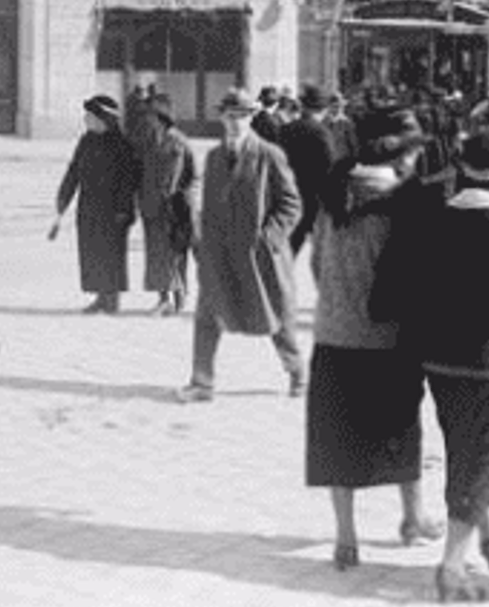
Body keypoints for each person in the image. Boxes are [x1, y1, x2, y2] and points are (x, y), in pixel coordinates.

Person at [372, 125, 489, 603]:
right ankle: (450, 565)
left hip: (440, 360)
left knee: (463, 450)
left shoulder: (436, 220)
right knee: (484, 459)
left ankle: (475, 535)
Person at [305, 115, 440, 570]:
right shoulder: (407, 206)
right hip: (390, 339)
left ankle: (346, 539)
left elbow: (318, 264)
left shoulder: (332, 199)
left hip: (334, 334)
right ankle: (412, 517)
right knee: (401, 429)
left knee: (335, 437)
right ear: (400, 157)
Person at [177, 87, 305, 403]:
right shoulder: (215, 156)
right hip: (220, 253)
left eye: (242, 117)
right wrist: (201, 245)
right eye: (230, 116)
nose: (235, 123)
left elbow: (291, 203)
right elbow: (209, 206)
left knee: (277, 317)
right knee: (207, 315)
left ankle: (298, 373)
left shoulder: (269, 155)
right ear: (221, 117)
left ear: (252, 118)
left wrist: (268, 238)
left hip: (260, 257)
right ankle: (202, 382)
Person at [50, 95, 139, 314]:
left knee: (111, 254)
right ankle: (100, 296)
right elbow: (74, 171)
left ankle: (111, 299)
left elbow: (129, 180)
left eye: (90, 116)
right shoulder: (86, 141)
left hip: (114, 210)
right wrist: (64, 196)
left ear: (104, 119)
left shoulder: (122, 145)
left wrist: (123, 209)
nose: (86, 119)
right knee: (92, 251)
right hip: (89, 206)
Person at [135, 93, 197, 315]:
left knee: (176, 254)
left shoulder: (179, 141)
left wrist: (184, 200)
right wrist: (138, 200)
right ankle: (163, 298)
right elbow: (138, 172)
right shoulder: (147, 140)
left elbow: (192, 176)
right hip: (151, 206)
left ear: (161, 117)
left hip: (174, 208)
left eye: (150, 115)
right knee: (155, 255)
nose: (147, 120)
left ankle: (179, 298)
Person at [279, 82, 342, 252]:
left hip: (286, 194)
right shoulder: (321, 133)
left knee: (287, 247)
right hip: (311, 198)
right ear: (323, 109)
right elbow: (330, 169)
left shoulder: (285, 129)